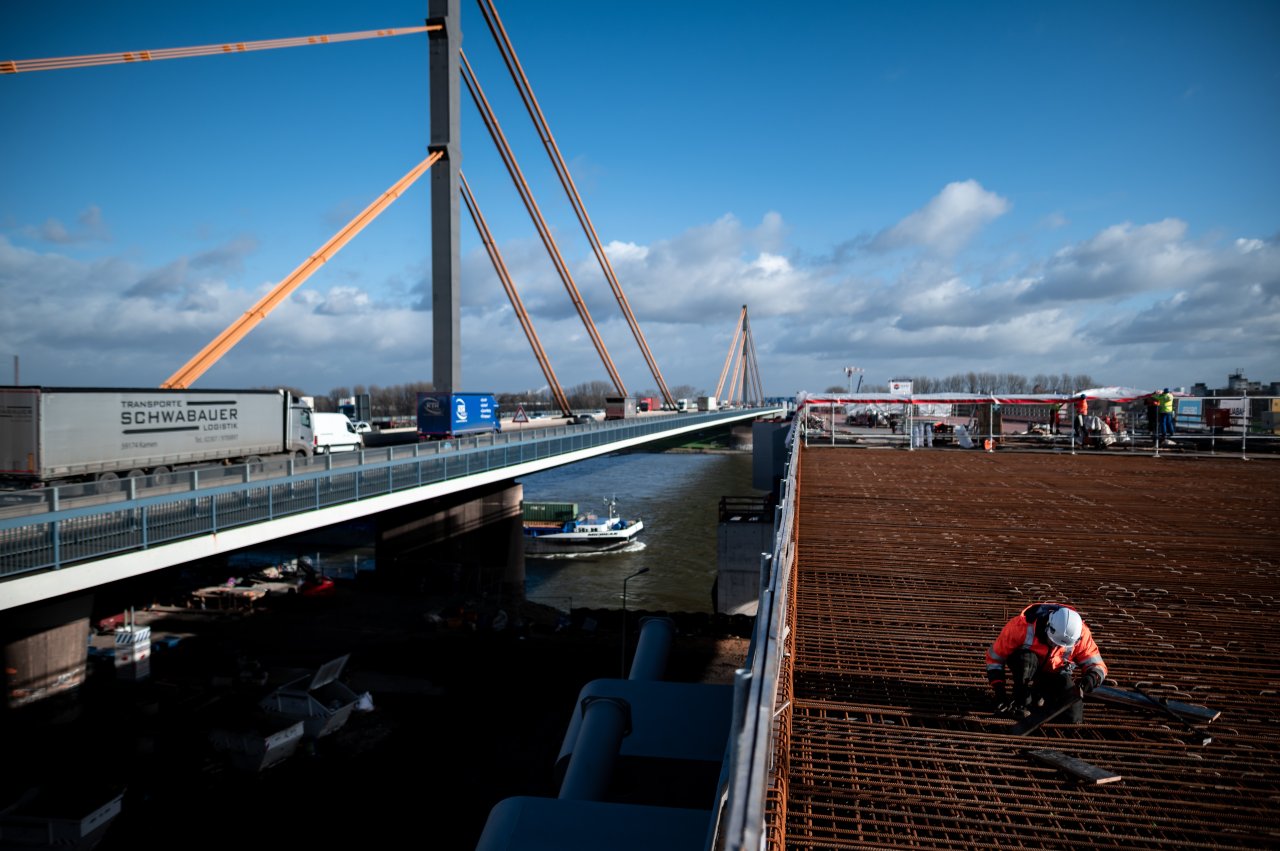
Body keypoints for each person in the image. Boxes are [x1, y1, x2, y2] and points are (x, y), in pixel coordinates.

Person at [985, 601, 1108, 723]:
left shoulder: (1081, 634)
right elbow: (995, 659)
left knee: (1073, 717)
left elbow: (1097, 665)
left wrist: (1092, 678)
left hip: (1058, 673)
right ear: (1048, 626)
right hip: (1027, 669)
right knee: (1026, 661)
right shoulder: (1021, 626)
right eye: (1053, 642)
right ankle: (1021, 699)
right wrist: (999, 692)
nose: (1056, 647)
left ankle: (1040, 695)